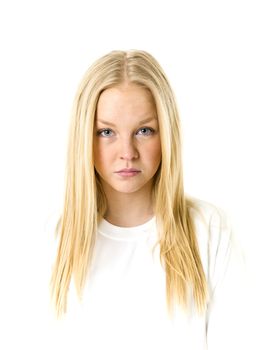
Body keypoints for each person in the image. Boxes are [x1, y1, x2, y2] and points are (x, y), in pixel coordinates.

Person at [49, 50, 246, 349]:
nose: (127, 152)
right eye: (106, 132)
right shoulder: (51, 240)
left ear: (166, 134)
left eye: (144, 130)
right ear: (84, 137)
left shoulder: (210, 232)